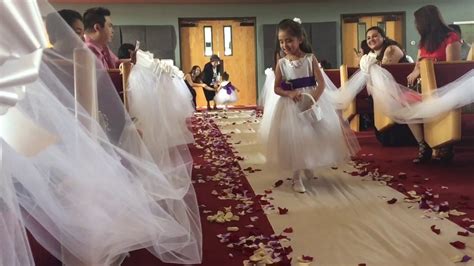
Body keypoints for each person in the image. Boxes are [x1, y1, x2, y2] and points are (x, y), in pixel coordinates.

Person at [0, 2, 202, 265]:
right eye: (75, 31)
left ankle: (81, 246)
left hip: (64, 133)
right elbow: (87, 109)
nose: (79, 37)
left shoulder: (50, 61)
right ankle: (82, 246)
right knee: (78, 192)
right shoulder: (79, 59)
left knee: (77, 193)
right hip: (67, 133)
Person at [265, 18, 359, 193]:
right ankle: (296, 176)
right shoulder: (282, 63)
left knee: (311, 136)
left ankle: (306, 164)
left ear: (300, 39)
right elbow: (277, 87)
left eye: (289, 40)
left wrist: (312, 99)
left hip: (311, 100)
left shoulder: (310, 59)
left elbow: (321, 83)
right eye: (281, 41)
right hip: (291, 105)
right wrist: (289, 93)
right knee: (295, 138)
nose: (285, 45)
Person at [406, 5, 462, 163]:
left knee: (439, 105)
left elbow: (453, 67)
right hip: (425, 88)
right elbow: (417, 65)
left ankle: (445, 144)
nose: (416, 25)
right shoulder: (423, 42)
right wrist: (415, 71)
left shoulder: (451, 37)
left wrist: (427, 65)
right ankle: (424, 145)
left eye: (417, 22)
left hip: (445, 88)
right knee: (404, 102)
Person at [364, 26, 417, 146]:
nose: (371, 39)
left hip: (401, 88)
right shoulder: (371, 55)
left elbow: (386, 71)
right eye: (368, 38)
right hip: (387, 90)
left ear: (383, 37)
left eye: (374, 36)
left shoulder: (391, 49)